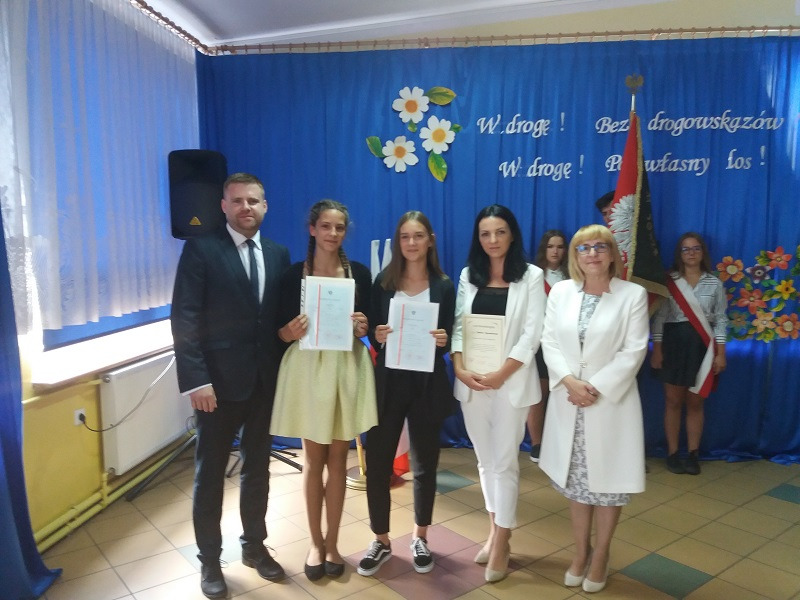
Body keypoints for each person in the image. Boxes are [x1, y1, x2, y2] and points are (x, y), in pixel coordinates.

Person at [171, 172, 290, 599]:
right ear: (223, 206)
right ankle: (209, 560)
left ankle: (254, 547)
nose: (246, 208)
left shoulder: (278, 254)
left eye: (253, 201)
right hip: (215, 388)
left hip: (263, 384)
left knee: (258, 470)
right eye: (237, 201)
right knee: (210, 477)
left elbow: (275, 321)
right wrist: (196, 380)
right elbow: (184, 318)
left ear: (265, 206)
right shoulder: (201, 249)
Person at [270, 199, 377, 581]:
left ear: (345, 232)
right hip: (308, 371)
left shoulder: (359, 274)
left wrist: (363, 326)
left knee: (337, 460)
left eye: (339, 227)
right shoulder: (291, 276)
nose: (333, 233)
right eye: (326, 226)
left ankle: (333, 543)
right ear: (312, 229)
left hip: (345, 368)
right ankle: (315, 543)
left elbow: (370, 326)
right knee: (314, 461)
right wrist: (287, 332)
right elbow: (276, 332)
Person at [539, 224, 649, 594]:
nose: (593, 254)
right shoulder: (561, 292)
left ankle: (601, 554)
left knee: (608, 484)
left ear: (613, 254)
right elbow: (549, 341)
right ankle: (580, 552)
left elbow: (634, 350)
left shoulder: (632, 295)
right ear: (575, 256)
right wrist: (570, 382)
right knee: (576, 482)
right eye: (584, 248)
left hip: (609, 403)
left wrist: (594, 388)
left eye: (601, 247)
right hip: (569, 399)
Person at [451, 204, 545, 583]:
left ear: (512, 234)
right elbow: (459, 327)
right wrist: (459, 367)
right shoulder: (468, 276)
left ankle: (503, 540)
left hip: (511, 382)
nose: (493, 240)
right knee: (485, 462)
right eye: (485, 234)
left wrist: (502, 374)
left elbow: (532, 334)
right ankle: (493, 529)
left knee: (504, 462)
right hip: (473, 382)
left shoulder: (532, 276)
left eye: (500, 232)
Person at [358, 211, 456, 577]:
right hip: (389, 381)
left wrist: (445, 340)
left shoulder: (443, 285)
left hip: (427, 383)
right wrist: (377, 335)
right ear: (398, 242)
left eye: (418, 236)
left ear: (430, 240)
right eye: (404, 237)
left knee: (425, 464)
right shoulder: (384, 283)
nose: (411, 243)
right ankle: (381, 540)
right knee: (378, 462)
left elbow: (450, 335)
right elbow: (371, 330)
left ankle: (420, 536)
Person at [650, 232, 727, 475]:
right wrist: (657, 349)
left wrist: (721, 353)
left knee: (696, 402)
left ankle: (693, 454)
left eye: (696, 248)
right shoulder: (669, 281)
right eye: (686, 249)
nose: (691, 253)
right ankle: (673, 453)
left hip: (702, 349)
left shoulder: (714, 283)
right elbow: (660, 318)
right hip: (673, 347)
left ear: (703, 252)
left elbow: (721, 320)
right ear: (679, 254)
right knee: (673, 401)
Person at [527, 230, 569, 462]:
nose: (555, 251)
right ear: (544, 249)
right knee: (538, 395)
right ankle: (537, 444)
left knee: (563, 394)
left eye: (560, 246)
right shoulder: (533, 276)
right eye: (551, 246)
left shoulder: (572, 276)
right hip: (540, 344)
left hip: (566, 344)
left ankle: (561, 443)